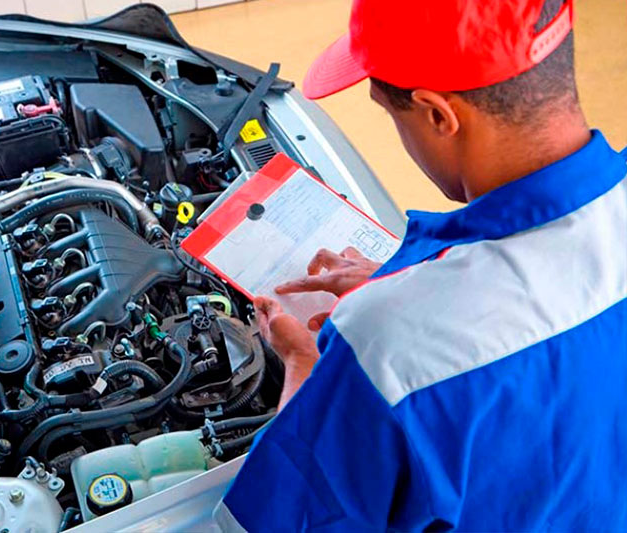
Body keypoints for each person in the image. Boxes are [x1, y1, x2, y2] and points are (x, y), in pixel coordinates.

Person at [214, 0, 627, 530]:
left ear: (437, 115)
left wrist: (305, 366)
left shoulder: (386, 346)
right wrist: (417, 287)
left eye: (392, 114)